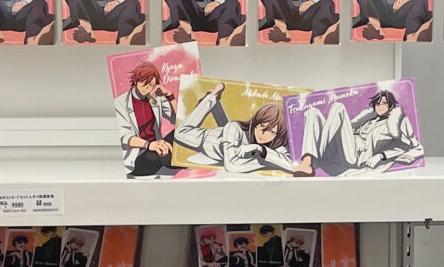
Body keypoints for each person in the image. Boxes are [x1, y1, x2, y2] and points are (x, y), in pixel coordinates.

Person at [172, 83, 312, 176]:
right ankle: (211, 98)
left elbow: (292, 163)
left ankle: (216, 104)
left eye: (272, 132)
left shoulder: (274, 144)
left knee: (229, 131)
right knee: (180, 133)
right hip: (209, 140)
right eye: (261, 126)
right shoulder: (234, 128)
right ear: (255, 122)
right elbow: (232, 166)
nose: (263, 134)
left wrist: (262, 151)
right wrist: (262, 156)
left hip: (229, 142)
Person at [292, 87, 423, 177]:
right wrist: (356, 137)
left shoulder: (395, 123)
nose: (379, 106)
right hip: (346, 150)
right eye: (377, 103)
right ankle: (307, 162)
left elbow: (406, 146)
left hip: (358, 158)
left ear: (391, 105)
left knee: (338, 107)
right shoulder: (369, 119)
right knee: (312, 112)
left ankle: (315, 158)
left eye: (384, 103)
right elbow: (350, 131)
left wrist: (380, 156)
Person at [115, 56, 177, 178]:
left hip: (158, 147)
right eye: (144, 83)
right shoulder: (120, 103)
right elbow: (125, 137)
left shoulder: (155, 98)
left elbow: (178, 120)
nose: (147, 88)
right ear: (136, 80)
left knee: (181, 131)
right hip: (139, 156)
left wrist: (169, 95)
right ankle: (174, 159)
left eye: (152, 85)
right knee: (157, 154)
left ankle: (172, 157)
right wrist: (149, 145)